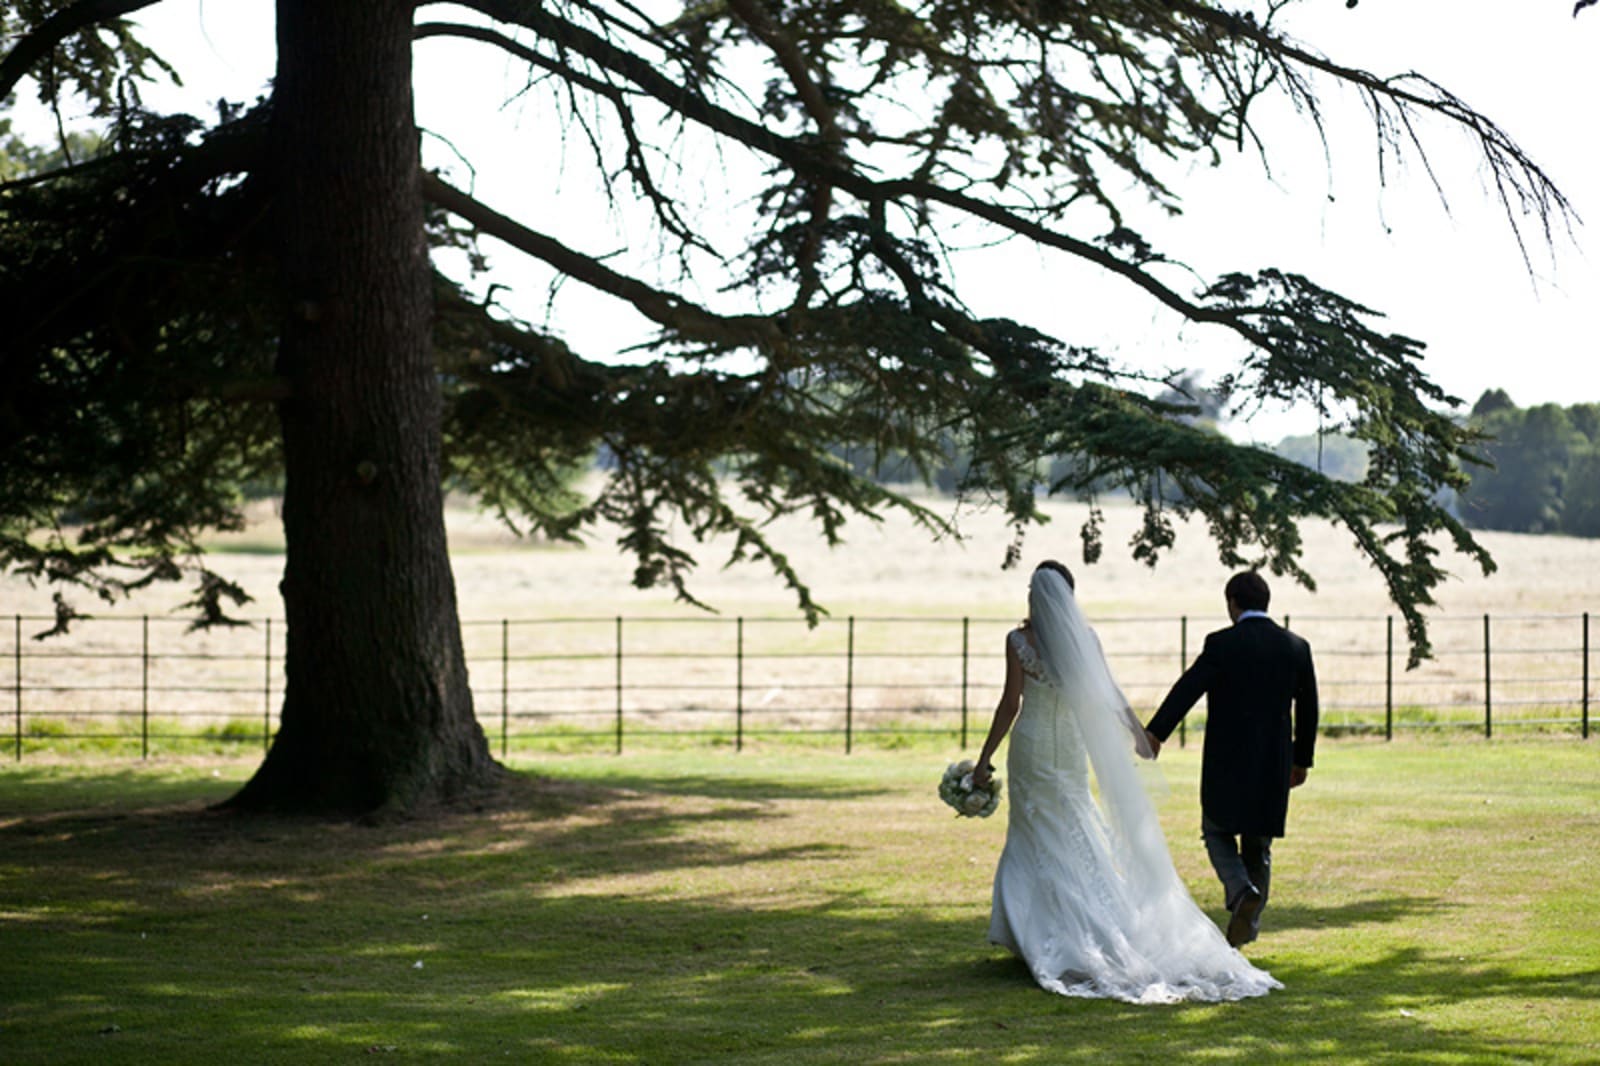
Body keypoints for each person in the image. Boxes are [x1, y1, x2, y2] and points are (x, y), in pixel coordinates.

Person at [969, 561, 1279, 1003]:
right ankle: (1055, 930)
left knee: (1035, 834)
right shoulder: (1084, 641)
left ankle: (1041, 933)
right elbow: (1108, 693)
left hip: (1033, 747)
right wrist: (1141, 736)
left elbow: (1010, 703)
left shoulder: (1019, 641)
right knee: (1073, 831)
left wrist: (984, 759)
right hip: (1070, 750)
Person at [1144, 571, 1319, 948]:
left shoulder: (1222, 643)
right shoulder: (1295, 647)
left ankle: (1240, 892)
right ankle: (1247, 923)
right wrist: (1301, 759)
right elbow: (1309, 709)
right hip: (1273, 761)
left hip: (1227, 760)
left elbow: (1187, 688)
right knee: (1258, 842)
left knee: (1216, 830)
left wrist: (1156, 732)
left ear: (1232, 603)